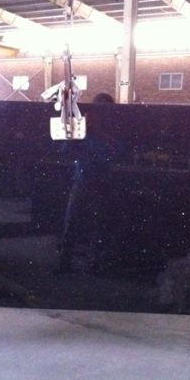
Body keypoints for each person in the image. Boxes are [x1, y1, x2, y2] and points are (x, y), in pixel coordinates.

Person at [57, 92, 117, 273]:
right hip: (83, 180)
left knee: (98, 225)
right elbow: (66, 151)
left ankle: (94, 263)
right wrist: (79, 132)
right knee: (72, 223)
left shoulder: (111, 131)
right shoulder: (84, 129)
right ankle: (66, 262)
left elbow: (115, 152)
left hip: (100, 181)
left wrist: (98, 134)